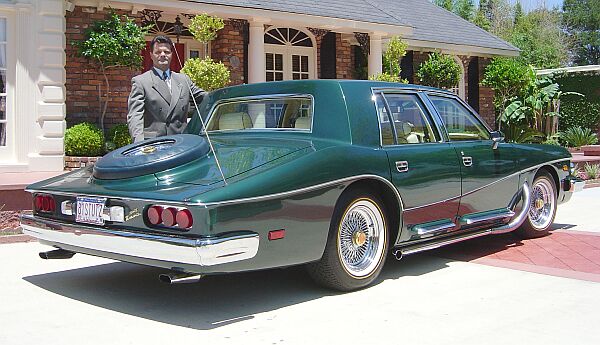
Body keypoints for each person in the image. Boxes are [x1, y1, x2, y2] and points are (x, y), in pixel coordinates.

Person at [127, 35, 206, 142]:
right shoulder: (141, 82)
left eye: (167, 52)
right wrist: (139, 144)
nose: (163, 55)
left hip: (181, 142)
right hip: (154, 145)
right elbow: (135, 116)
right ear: (151, 55)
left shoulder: (183, 80)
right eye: (158, 52)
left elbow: (206, 98)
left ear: (172, 54)